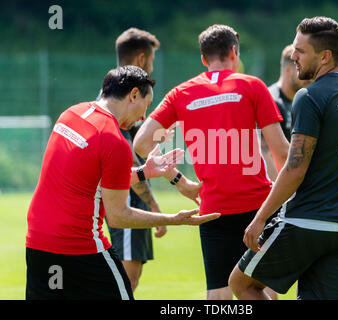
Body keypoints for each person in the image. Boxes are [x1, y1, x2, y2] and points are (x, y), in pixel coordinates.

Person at [25, 66, 220, 300]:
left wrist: (144, 172)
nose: (143, 117)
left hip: (37, 242)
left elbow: (91, 175)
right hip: (79, 247)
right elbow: (118, 216)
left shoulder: (72, 113)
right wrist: (175, 219)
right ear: (133, 94)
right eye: (146, 106)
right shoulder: (115, 141)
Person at [229, 16, 338, 300]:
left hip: (305, 224)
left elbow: (295, 168)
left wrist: (261, 218)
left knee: (242, 284)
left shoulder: (309, 96)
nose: (294, 56)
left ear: (325, 56)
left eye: (300, 51)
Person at [133, 24, 289, 300]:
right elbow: (282, 153)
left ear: (204, 59)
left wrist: (178, 181)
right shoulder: (252, 86)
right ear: (234, 52)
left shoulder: (181, 93)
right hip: (257, 207)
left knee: (218, 295)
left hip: (213, 208)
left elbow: (142, 143)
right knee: (258, 289)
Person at [103, 27, 165, 294]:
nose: (151, 69)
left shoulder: (114, 98)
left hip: (129, 194)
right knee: (124, 281)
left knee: (131, 278)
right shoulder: (118, 106)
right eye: (150, 63)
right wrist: (153, 205)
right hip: (125, 197)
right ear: (141, 59)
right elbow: (126, 161)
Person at [262, 45, 312, 181]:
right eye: (300, 69)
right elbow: (265, 153)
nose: (307, 76)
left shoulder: (303, 100)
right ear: (289, 70)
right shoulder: (271, 100)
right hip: (282, 185)